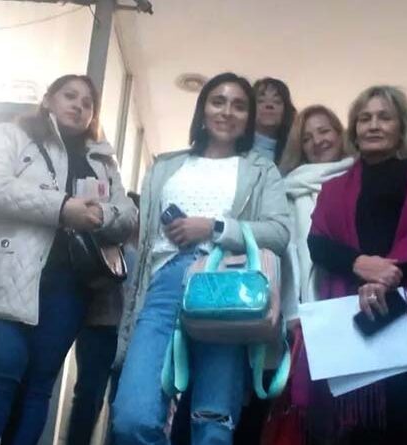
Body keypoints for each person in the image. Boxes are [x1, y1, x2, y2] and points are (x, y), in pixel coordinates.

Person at [111, 72, 290, 445]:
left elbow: (278, 232)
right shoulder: (165, 165)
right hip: (163, 283)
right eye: (218, 101)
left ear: (249, 118)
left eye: (239, 106)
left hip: (224, 286)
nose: (227, 111)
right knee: (131, 419)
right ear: (203, 110)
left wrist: (213, 227)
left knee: (213, 427)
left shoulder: (261, 169)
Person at [0, 74, 137, 445]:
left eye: (87, 103)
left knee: (39, 383)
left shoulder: (102, 161)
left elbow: (127, 215)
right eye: (69, 96)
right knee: (2, 364)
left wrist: (100, 215)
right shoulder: (12, 136)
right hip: (8, 271)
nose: (79, 106)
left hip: (69, 287)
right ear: (48, 100)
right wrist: (62, 208)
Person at [295, 85, 407, 444]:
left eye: (384, 117)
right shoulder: (335, 187)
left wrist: (386, 275)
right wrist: (360, 264)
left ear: (402, 127)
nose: (373, 125)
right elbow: (318, 242)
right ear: (354, 130)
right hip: (353, 309)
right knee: (361, 428)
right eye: (364, 118)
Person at [66, 191, 140, 445]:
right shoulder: (109, 244)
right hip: (103, 325)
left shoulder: (138, 253)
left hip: (117, 329)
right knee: (92, 398)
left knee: (104, 400)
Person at [278, 105, 355, 320]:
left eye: (324, 131)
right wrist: (292, 312)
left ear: (339, 134)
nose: (318, 141)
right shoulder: (290, 189)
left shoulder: (362, 176)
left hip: (365, 291)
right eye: (307, 139)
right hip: (313, 306)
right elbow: (289, 254)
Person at [251, 77, 297, 164]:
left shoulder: (295, 154)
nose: (269, 105)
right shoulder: (235, 148)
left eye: (277, 101)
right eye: (261, 101)